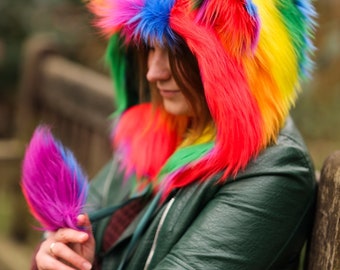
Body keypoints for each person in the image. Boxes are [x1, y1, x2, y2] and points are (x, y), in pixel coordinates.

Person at [32, 0, 317, 269]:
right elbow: (76, 232)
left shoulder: (275, 170)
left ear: (236, 59)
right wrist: (56, 255)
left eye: (175, 50)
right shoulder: (157, 134)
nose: (152, 73)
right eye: (150, 49)